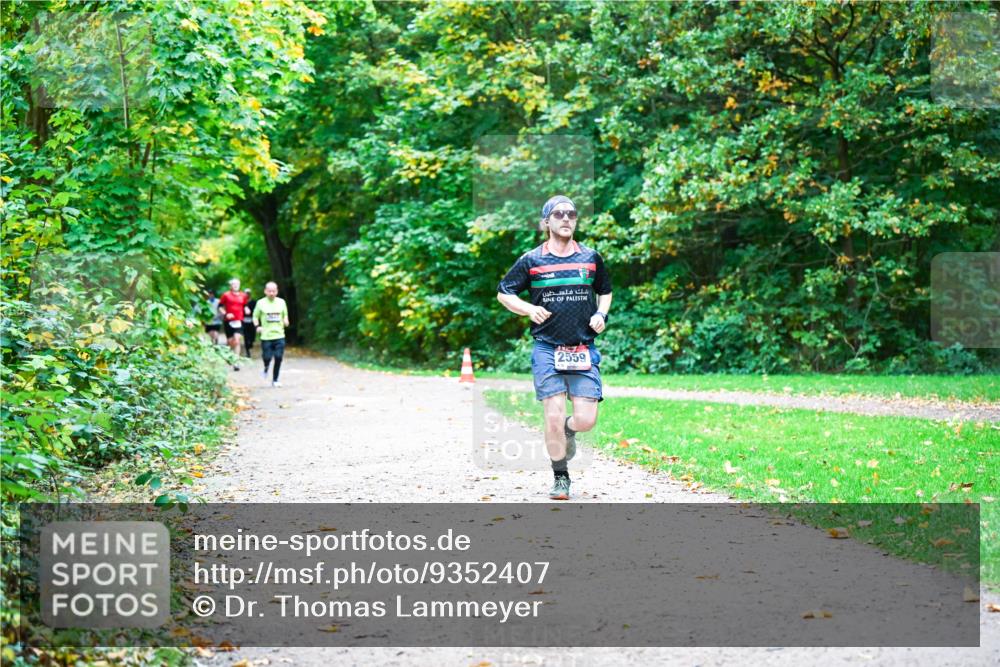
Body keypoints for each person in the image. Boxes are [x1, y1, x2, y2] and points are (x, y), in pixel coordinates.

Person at [497, 195, 612, 500]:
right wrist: (527, 309)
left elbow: (606, 291)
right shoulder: (532, 260)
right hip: (547, 347)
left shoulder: (591, 257)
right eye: (558, 214)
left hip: (582, 347)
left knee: (586, 420)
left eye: (571, 214)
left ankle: (569, 430)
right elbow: (504, 292)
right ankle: (560, 477)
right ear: (546, 222)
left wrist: (601, 314)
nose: (566, 218)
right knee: (552, 414)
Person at [253, 281, 290, 387]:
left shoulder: (281, 302)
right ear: (265, 291)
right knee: (267, 357)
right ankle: (266, 366)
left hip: (279, 335)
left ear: (277, 291)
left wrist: (286, 321)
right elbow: (255, 316)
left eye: (274, 291)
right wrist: (257, 326)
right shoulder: (260, 303)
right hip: (266, 336)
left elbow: (285, 315)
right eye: (269, 291)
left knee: (278, 357)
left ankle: (275, 379)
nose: (272, 293)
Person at [218, 278, 249, 370]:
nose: (236, 286)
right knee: (230, 341)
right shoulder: (226, 295)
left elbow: (245, 305)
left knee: (237, 340)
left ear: (239, 285)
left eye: (237, 284)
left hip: (239, 320)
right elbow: (220, 307)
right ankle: (229, 354)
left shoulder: (243, 295)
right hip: (229, 321)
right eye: (234, 284)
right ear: (230, 286)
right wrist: (226, 314)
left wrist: (247, 309)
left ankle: (236, 362)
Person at [242, 288, 257, 358]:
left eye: (248, 293)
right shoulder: (242, 302)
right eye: (246, 293)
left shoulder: (254, 302)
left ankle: (250, 343)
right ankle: (247, 351)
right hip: (244, 321)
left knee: (252, 335)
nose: (247, 294)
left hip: (252, 320)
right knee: (245, 335)